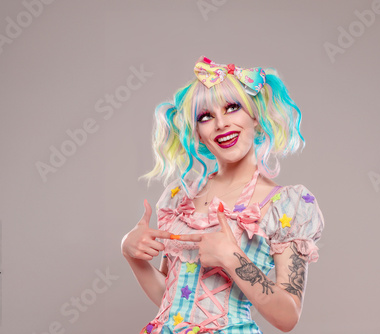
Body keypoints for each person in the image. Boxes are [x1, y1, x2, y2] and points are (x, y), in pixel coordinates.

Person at [121, 56, 325, 334]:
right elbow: (168, 299)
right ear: (198, 134)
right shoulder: (179, 198)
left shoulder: (288, 206)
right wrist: (132, 254)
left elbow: (288, 317)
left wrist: (233, 257)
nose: (220, 124)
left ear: (255, 116)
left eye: (232, 108)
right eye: (206, 116)